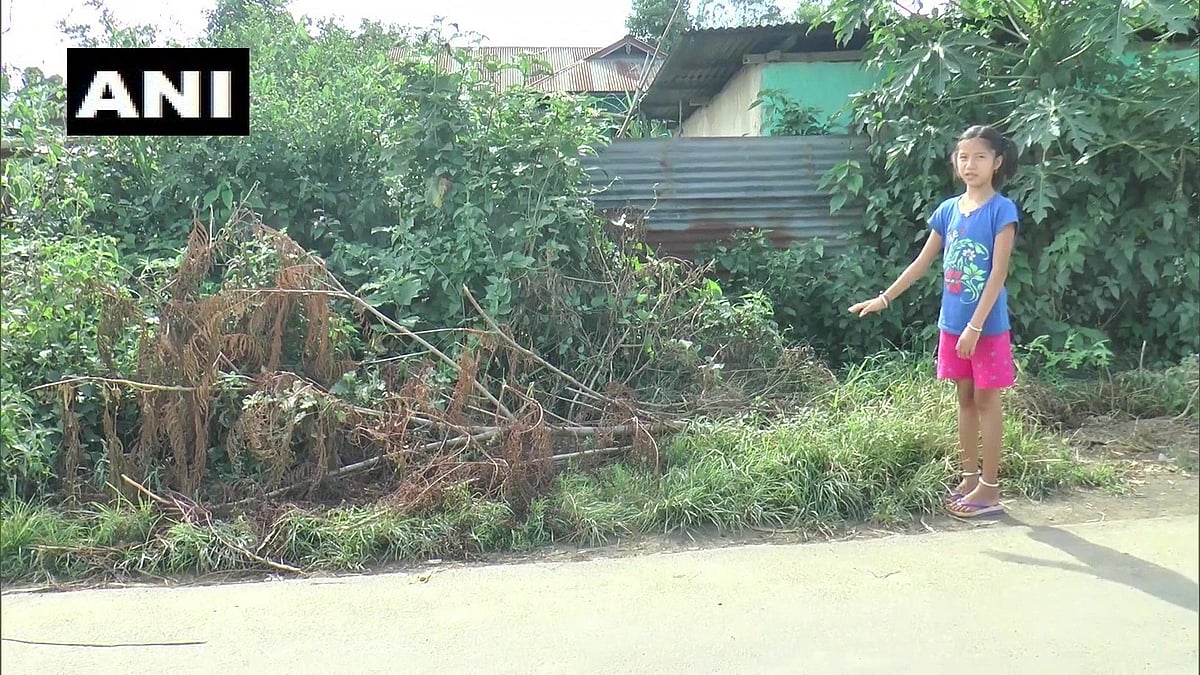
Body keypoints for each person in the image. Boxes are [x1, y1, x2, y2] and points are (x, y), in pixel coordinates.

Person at [848, 125, 1020, 518]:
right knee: (964, 399)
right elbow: (922, 263)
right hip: (953, 325)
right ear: (955, 163)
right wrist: (884, 298)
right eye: (963, 157)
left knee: (987, 400)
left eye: (979, 157)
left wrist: (976, 327)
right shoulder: (947, 210)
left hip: (986, 328)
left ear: (997, 162)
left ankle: (991, 490)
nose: (970, 164)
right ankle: (970, 477)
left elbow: (998, 273)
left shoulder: (1002, 210)